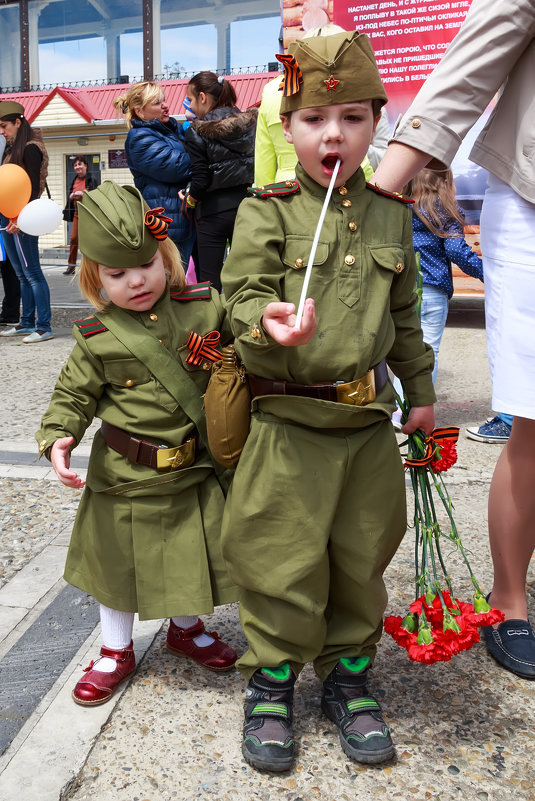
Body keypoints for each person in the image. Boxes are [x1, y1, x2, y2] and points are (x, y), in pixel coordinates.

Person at [221, 30, 435, 772]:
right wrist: (264, 321)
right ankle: (272, 682)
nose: (333, 134)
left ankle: (348, 677)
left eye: (350, 116)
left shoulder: (389, 211)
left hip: (365, 425)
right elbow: (239, 296)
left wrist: (424, 393)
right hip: (288, 422)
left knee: (360, 558)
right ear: (288, 125)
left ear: (376, 120)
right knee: (281, 559)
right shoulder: (266, 211)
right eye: (314, 119)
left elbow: (404, 317)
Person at [372, 0, 535, 679]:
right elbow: (461, 79)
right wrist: (373, 203)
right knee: (533, 417)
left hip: (442, 274)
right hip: (530, 194)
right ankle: (508, 594)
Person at [36, 182, 238, 706]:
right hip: (125, 476)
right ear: (95, 278)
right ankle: (114, 649)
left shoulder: (204, 308)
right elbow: (73, 394)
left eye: (145, 265)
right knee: (119, 566)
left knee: (191, 551)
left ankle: (186, 629)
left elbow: (241, 363)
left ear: (164, 253)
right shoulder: (96, 336)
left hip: (193, 467)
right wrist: (59, 435)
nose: (137, 281)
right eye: (117, 275)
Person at [396, 167, 483, 390]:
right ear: (445, 182)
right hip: (434, 290)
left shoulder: (400, 207)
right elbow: (456, 250)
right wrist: (486, 273)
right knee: (429, 350)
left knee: (405, 352)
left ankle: (399, 411)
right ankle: (418, 407)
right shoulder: (445, 210)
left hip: (403, 292)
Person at [182, 72, 257, 292]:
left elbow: (201, 178)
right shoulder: (250, 125)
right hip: (246, 207)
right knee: (243, 275)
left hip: (212, 214)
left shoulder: (197, 132)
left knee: (210, 280)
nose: (193, 107)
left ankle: (213, 324)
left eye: (192, 100)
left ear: (203, 97)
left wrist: (190, 200)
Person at [113, 81, 195, 265]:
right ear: (140, 111)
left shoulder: (169, 130)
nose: (165, 106)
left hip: (183, 219)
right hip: (168, 224)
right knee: (173, 280)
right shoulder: (140, 138)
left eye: (164, 100)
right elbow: (178, 167)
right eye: (157, 103)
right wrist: (203, 155)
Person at [0, 101, 54, 343]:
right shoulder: (11, 148)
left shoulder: (31, 148)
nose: (2, 131)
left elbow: (31, 188)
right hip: (7, 215)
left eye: (4, 126)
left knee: (32, 272)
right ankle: (26, 323)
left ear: (18, 122)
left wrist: (20, 219)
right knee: (21, 274)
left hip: (23, 218)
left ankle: (43, 326)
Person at [63, 155, 99, 276]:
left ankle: (91, 267)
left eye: (80, 164)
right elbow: (71, 193)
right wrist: (72, 195)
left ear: (86, 166)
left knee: (88, 241)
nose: (78, 167)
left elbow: (95, 193)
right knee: (73, 239)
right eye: (75, 165)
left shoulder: (91, 178)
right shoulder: (75, 179)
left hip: (88, 213)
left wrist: (83, 193)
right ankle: (71, 266)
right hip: (77, 213)